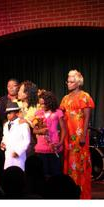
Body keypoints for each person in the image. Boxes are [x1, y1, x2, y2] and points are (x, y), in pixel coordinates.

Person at [60, 69, 95, 199]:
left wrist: (83, 135)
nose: (68, 83)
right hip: (68, 135)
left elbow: (87, 118)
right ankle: (70, 192)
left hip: (79, 133)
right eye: (67, 81)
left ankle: (81, 193)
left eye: (71, 81)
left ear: (78, 83)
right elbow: (62, 118)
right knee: (69, 162)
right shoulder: (65, 98)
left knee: (80, 162)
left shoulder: (84, 96)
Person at [33, 91, 66, 178]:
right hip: (41, 148)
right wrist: (41, 131)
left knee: (56, 173)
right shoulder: (38, 113)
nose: (42, 106)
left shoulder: (58, 112)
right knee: (43, 174)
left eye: (44, 104)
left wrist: (60, 143)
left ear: (50, 102)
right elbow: (34, 131)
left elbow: (63, 129)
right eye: (40, 104)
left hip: (54, 146)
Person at [0, 102, 30, 171]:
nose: (8, 115)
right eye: (7, 113)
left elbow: (27, 141)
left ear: (17, 113)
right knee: (9, 173)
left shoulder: (23, 124)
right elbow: (5, 136)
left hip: (18, 156)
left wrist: (18, 151)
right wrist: (3, 143)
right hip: (8, 155)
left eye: (10, 113)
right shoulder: (6, 125)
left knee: (19, 172)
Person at [17, 80, 38, 157]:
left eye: (20, 90)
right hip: (16, 139)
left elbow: (37, 125)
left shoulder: (37, 107)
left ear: (27, 93)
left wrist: (27, 121)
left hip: (30, 139)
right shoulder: (15, 103)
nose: (18, 92)